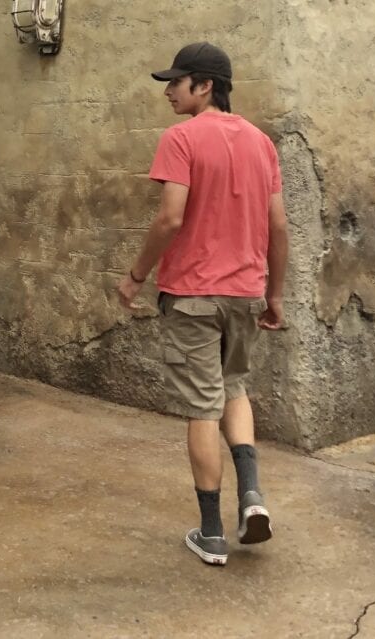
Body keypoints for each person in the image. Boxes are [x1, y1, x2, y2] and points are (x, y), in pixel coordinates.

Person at [116, 42, 289, 566]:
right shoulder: (262, 143)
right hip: (245, 292)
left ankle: (212, 532)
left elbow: (170, 218)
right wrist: (274, 294)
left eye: (177, 82)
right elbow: (278, 227)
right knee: (234, 388)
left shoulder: (182, 137)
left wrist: (135, 275)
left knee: (201, 408)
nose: (168, 92)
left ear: (205, 85)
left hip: (192, 294)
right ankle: (252, 496)